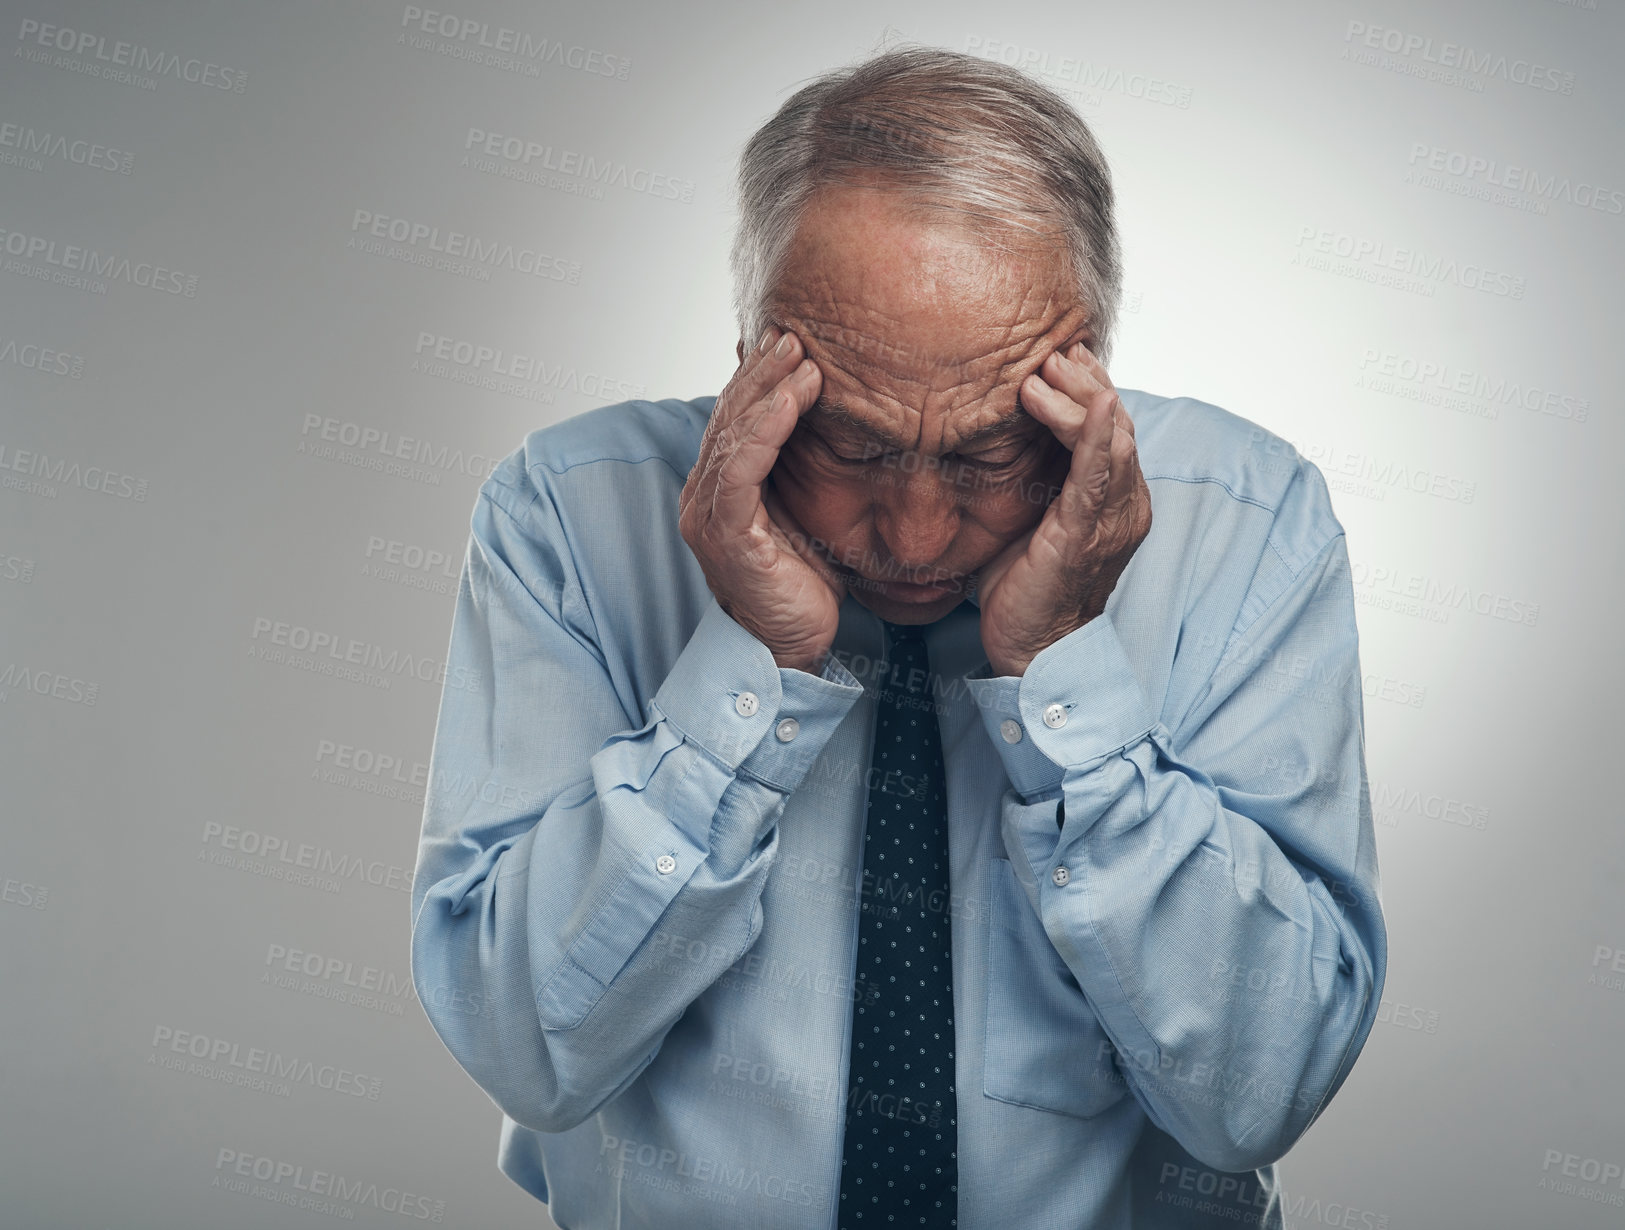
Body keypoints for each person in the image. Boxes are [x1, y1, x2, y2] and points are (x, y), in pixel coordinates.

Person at [410, 45, 1387, 1230]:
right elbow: (529, 1044)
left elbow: (1257, 1092)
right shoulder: (568, 512)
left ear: (1088, 377)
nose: (916, 537)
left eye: (987, 454)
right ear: (750, 373)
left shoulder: (1249, 523)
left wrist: (1062, 679)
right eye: (853, 447)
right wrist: (748, 671)